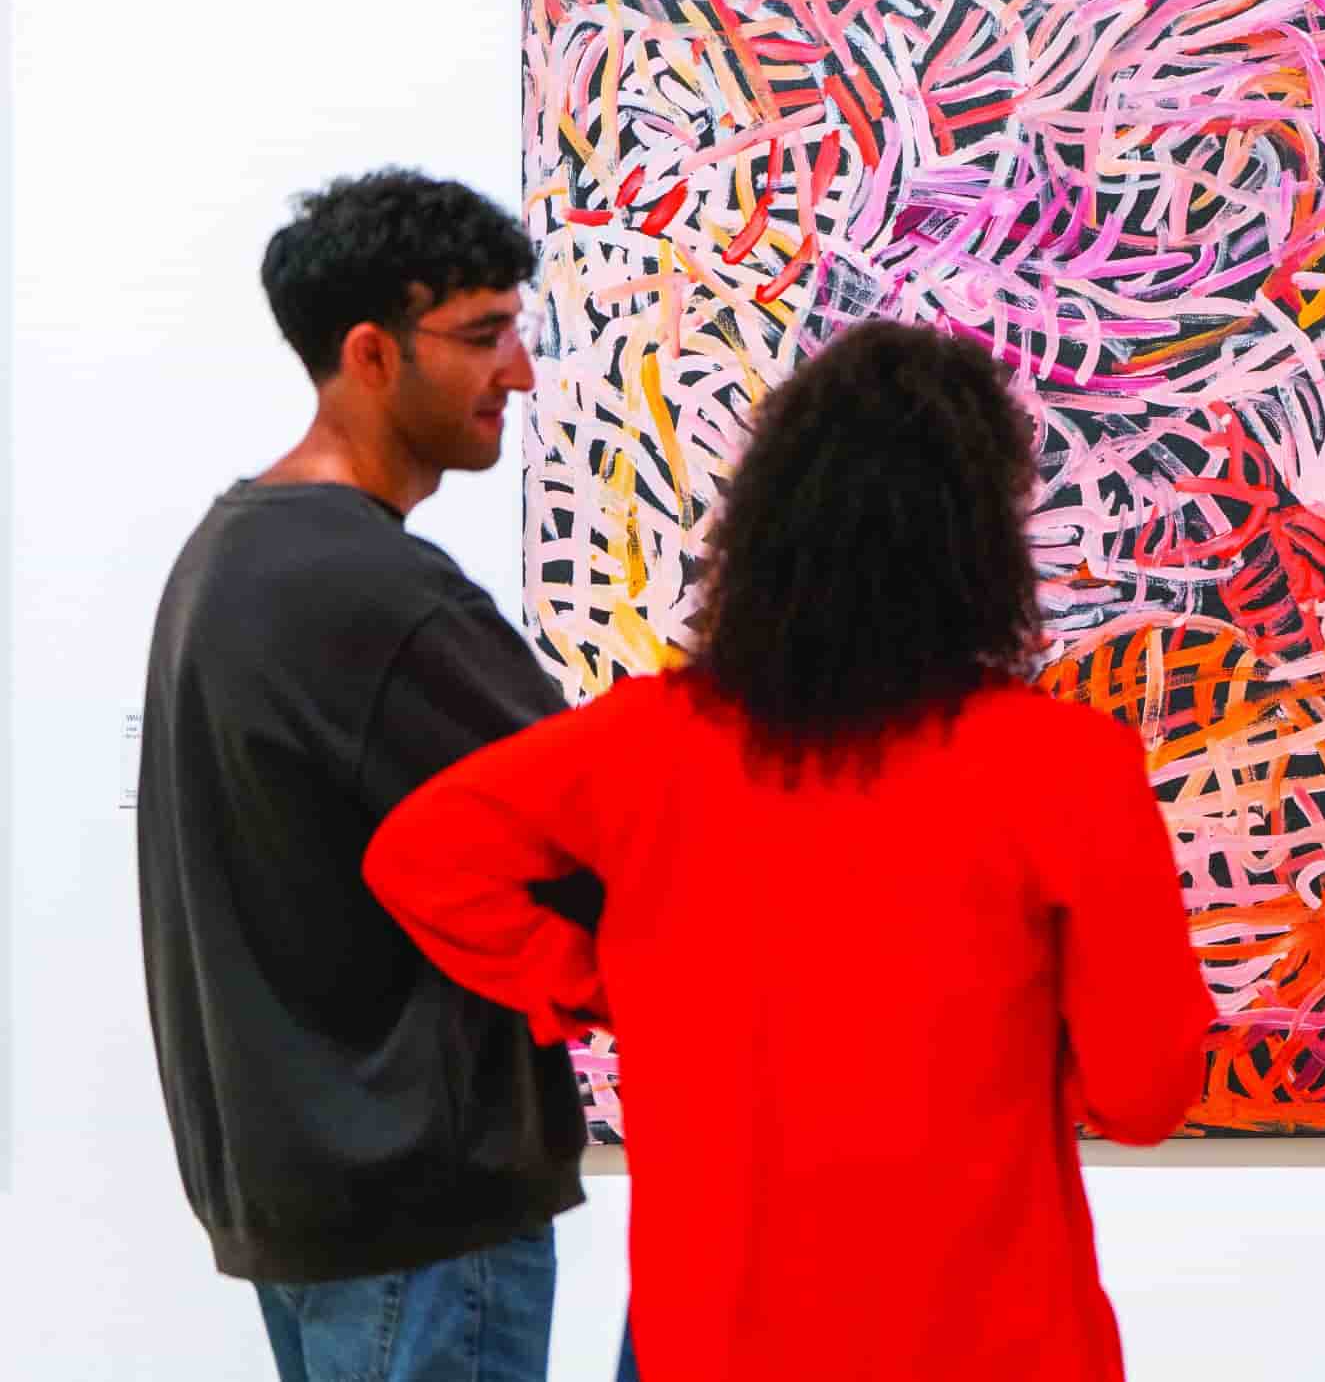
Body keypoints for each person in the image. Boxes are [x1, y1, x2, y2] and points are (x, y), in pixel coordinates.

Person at [364, 317, 1217, 1382]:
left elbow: (420, 856)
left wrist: (599, 982)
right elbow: (1146, 1096)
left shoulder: (646, 744)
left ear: (766, 529)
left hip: (715, 1341)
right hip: (989, 1338)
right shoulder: (1063, 767)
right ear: (982, 550)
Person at [136, 169, 596, 1382]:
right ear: (370, 354)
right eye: (483, 336)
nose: (520, 374)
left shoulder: (232, 551)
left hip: (308, 1201)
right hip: (419, 1208)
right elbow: (594, 828)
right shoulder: (378, 594)